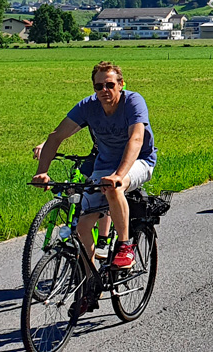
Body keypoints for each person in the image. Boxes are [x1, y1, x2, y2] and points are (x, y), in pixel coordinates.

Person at [32, 61, 156, 270]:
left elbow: (136, 139)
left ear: (121, 84)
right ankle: (90, 284)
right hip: (104, 165)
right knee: (82, 224)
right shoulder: (88, 106)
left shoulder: (134, 102)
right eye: (99, 87)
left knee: (114, 188)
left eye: (110, 85)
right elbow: (56, 137)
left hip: (139, 161)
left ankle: (125, 247)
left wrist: (119, 175)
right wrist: (42, 172)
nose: (104, 91)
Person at [31, 141, 113, 258]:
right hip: (97, 154)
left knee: (103, 192)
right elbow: (66, 128)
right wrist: (45, 144)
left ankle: (103, 240)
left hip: (115, 157)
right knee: (75, 188)